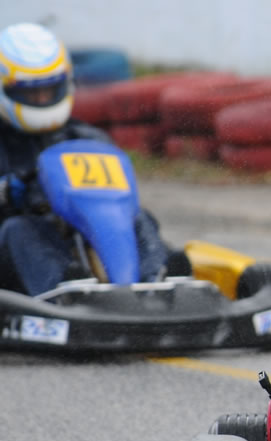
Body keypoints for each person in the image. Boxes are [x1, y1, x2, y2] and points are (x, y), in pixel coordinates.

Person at [0, 22, 171, 296]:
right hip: (15, 258)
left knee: (140, 218)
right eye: (31, 92)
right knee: (18, 229)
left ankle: (159, 281)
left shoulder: (88, 139)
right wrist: (10, 193)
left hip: (79, 243)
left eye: (49, 89)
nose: (42, 98)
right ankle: (64, 293)